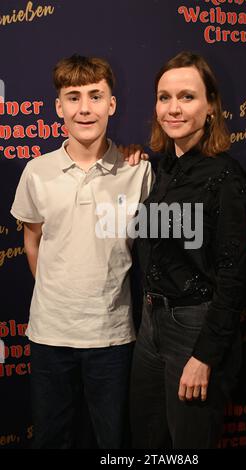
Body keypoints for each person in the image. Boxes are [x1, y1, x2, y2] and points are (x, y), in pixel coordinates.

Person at [10, 54, 153, 449]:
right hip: (49, 335)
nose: (84, 108)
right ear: (59, 107)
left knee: (114, 441)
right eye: (73, 97)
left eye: (95, 96)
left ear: (112, 104)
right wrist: (58, 294)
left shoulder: (138, 171)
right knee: (51, 439)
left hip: (113, 337)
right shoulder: (36, 171)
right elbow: (32, 241)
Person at [130, 51, 246, 449]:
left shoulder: (225, 177)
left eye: (186, 96)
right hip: (150, 326)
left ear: (211, 106)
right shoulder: (160, 167)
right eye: (164, 97)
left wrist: (204, 357)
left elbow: (234, 278)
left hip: (195, 329)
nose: (173, 108)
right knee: (146, 442)